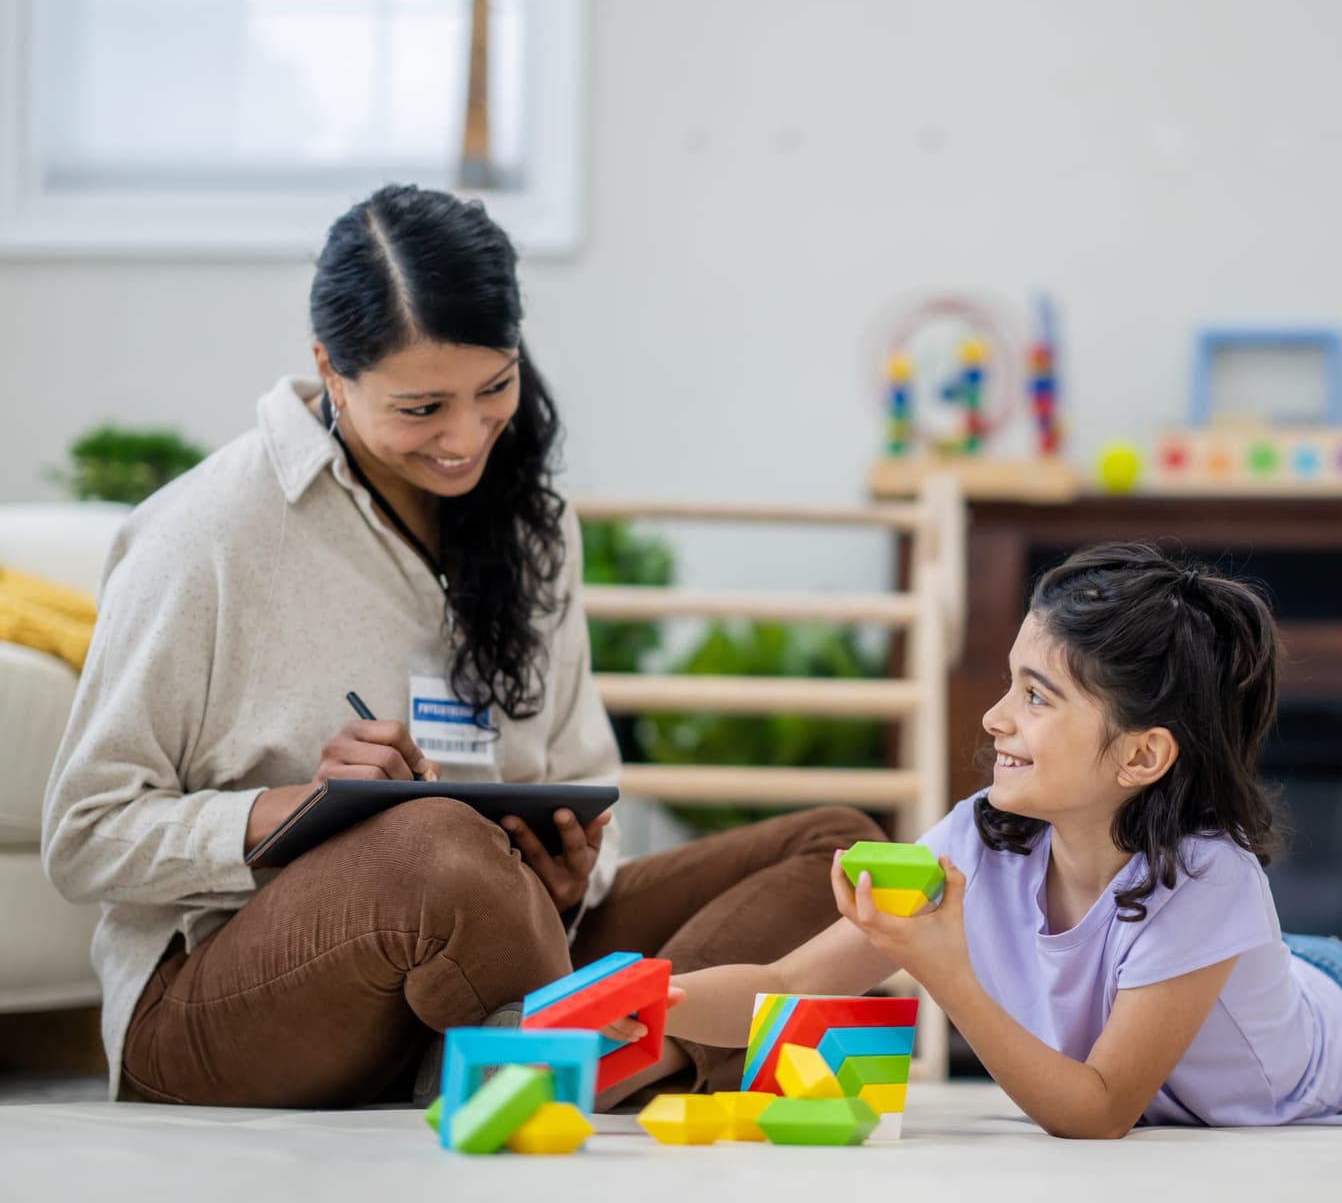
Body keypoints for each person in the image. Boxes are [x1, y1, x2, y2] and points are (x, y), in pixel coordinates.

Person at [41, 184, 877, 1108]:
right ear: (330, 368)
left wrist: (570, 875)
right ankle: (564, 1052)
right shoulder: (205, 533)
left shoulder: (534, 529)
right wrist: (283, 815)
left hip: (497, 952)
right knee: (433, 844)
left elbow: (579, 780)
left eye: (494, 389)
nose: (466, 435)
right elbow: (83, 835)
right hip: (225, 1004)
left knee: (839, 849)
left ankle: (600, 1054)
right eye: (422, 407)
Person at [661, 542, 1342, 1136]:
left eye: (1035, 696)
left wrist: (949, 971)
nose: (993, 719)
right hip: (1287, 981)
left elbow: (1100, 1107)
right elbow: (785, 982)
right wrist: (643, 997)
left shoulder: (1205, 876)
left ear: (1142, 755)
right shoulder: (978, 841)